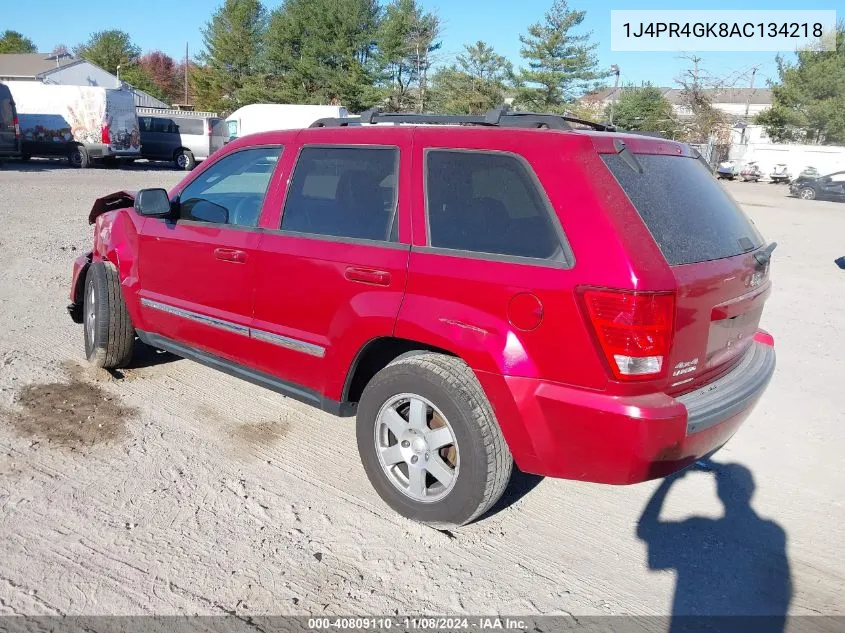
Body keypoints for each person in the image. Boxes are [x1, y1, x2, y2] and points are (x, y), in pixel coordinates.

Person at [637, 460, 792, 633]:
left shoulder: (700, 527)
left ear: (719, 492)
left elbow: (645, 530)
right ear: (751, 490)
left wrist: (669, 481)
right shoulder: (774, 533)